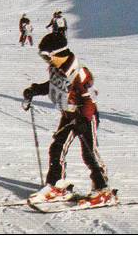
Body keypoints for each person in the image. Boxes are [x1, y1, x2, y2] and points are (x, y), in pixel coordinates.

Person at [23, 33, 113, 207]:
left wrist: (84, 120)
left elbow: (89, 99)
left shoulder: (79, 73)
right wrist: (34, 90)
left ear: (58, 53)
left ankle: (103, 189)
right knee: (57, 148)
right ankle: (57, 186)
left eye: (46, 56)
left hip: (85, 116)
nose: (45, 60)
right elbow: (53, 85)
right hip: (68, 115)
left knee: (89, 153)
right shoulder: (56, 68)